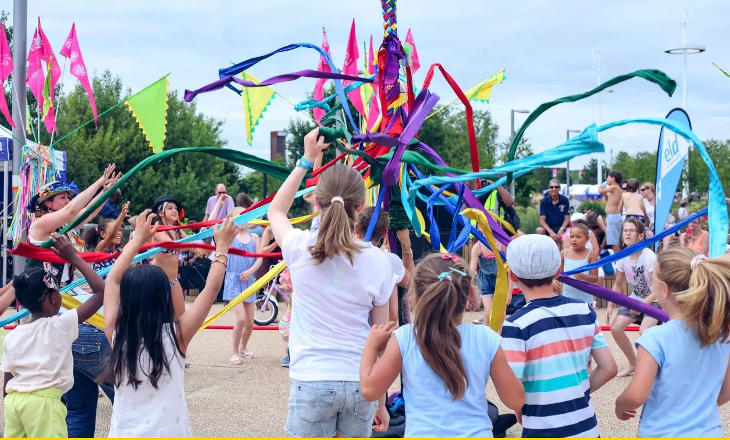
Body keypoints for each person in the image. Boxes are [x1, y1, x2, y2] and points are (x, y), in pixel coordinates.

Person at [268, 128, 398, 438]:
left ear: (316, 203)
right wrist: (381, 400)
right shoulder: (379, 260)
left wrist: (307, 159)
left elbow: (276, 210)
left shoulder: (300, 248)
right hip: (359, 382)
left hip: (311, 379)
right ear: (361, 204)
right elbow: (378, 340)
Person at [359, 253, 524, 437]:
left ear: (414, 297)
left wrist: (371, 347)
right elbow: (516, 400)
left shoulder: (405, 338)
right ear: (470, 293)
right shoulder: (485, 338)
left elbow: (369, 391)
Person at [104, 211, 237, 437]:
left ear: (125, 297)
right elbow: (211, 289)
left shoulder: (117, 333)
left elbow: (113, 279)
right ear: (165, 297)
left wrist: (137, 240)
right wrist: (221, 246)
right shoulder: (177, 335)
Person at [501, 234, 617, 438]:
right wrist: (577, 393)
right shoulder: (585, 310)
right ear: (557, 271)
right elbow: (609, 368)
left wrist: (518, 406)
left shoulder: (515, 325)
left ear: (512, 275)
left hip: (542, 431)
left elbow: (513, 396)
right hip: (588, 429)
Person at [615, 247, 730, 437]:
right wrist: (696, 407)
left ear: (664, 289)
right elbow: (726, 391)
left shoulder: (655, 337)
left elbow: (636, 395)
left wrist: (620, 404)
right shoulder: (721, 335)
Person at [2, 234, 106, 438]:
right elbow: (101, 292)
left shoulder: (13, 336)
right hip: (45, 404)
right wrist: (74, 257)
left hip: (14, 401)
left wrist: (10, 405)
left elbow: (7, 381)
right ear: (52, 299)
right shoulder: (60, 325)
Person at [606, 218, 660, 377]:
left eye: (631, 230)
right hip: (636, 299)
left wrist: (643, 304)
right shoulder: (623, 257)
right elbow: (617, 285)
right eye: (625, 230)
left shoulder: (650, 257)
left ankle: (655, 366)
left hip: (655, 300)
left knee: (644, 331)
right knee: (615, 328)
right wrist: (610, 305)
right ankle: (633, 363)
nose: (627, 233)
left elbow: (659, 288)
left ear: (640, 236)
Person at [223, 207, 263, 364]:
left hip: (248, 281)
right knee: (241, 318)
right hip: (234, 281)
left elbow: (259, 258)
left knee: (250, 321)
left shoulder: (254, 237)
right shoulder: (230, 237)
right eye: (238, 217)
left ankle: (243, 347)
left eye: (245, 216)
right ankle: (234, 352)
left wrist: (250, 271)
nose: (242, 220)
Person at [356, 206, 408, 323]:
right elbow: (393, 315)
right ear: (385, 233)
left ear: (357, 229)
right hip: (375, 334)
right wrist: (406, 245)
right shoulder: (390, 261)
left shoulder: (341, 256)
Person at [150, 195, 188, 320]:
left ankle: (175, 340)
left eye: (176, 208)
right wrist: (193, 245)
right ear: (160, 212)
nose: (174, 211)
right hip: (158, 281)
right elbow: (173, 246)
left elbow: (192, 242)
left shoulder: (177, 230)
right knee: (159, 318)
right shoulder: (158, 230)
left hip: (173, 280)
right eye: (170, 208)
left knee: (181, 317)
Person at [469, 230, 507, 327]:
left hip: (500, 280)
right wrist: (468, 287)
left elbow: (510, 267)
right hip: (485, 280)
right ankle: (487, 339)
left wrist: (510, 290)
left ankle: (502, 340)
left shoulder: (502, 245)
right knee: (488, 313)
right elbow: (472, 269)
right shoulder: (478, 247)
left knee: (502, 315)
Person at [557, 222, 600, 305]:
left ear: (587, 238)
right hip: (567, 300)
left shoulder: (592, 255)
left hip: (585, 300)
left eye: (578, 237)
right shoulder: (563, 253)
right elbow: (556, 272)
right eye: (572, 236)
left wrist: (584, 276)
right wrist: (554, 281)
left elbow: (595, 279)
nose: (574, 239)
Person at [83, 201, 130, 272]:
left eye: (120, 230)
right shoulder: (101, 249)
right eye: (115, 229)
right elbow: (112, 235)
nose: (119, 233)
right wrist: (121, 216)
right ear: (103, 234)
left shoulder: (119, 251)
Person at [599, 170, 623, 253]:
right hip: (612, 216)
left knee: (614, 242)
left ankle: (617, 261)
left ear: (613, 178)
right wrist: (605, 194)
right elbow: (608, 200)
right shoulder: (614, 189)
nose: (607, 179)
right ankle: (617, 259)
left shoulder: (614, 187)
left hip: (613, 216)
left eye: (608, 177)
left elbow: (600, 191)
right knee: (613, 240)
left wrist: (600, 186)